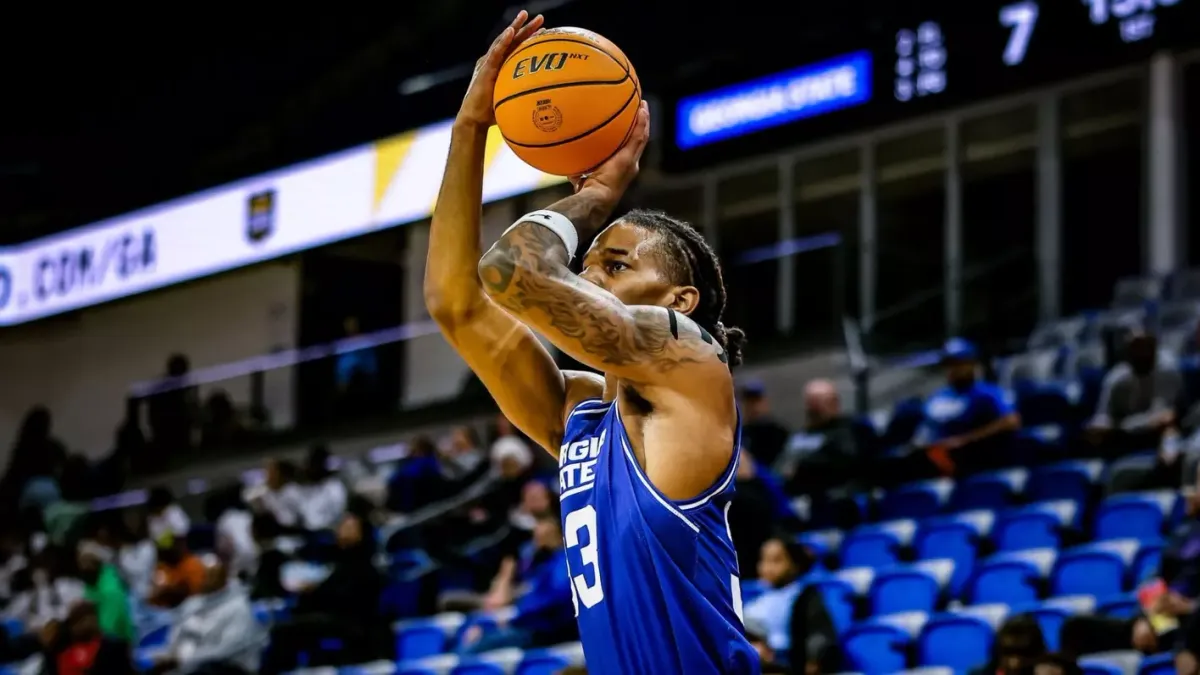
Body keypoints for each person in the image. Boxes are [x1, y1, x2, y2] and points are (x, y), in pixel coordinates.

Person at [425, 12, 755, 673]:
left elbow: (512, 273)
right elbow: (455, 302)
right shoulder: (582, 421)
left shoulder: (692, 363)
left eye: (617, 264)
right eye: (588, 263)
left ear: (679, 300)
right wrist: (469, 129)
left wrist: (601, 194)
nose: (587, 276)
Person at [149, 557, 264, 675]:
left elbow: (224, 650)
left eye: (211, 575)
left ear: (223, 577)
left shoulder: (239, 607)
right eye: (204, 575)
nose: (206, 579)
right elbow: (177, 637)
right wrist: (170, 656)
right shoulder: (193, 604)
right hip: (190, 664)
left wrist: (184, 659)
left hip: (229, 667)